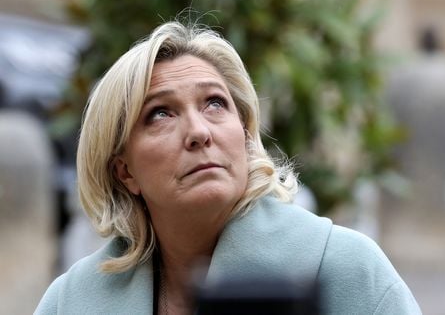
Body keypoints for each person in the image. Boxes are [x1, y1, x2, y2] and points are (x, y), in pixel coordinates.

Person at [35, 21, 421, 314]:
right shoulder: (69, 302)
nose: (199, 132)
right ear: (125, 172)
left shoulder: (347, 269)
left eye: (215, 104)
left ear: (247, 137)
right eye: (160, 113)